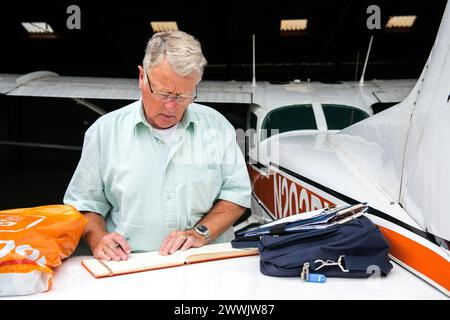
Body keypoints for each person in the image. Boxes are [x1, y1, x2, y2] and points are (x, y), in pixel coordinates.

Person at [64, 31, 251, 261]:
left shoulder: (217, 127)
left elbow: (237, 194)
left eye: (183, 96)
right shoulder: (104, 132)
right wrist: (98, 238)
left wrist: (200, 232)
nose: (171, 107)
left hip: (206, 264)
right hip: (131, 267)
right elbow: (84, 203)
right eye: (163, 94)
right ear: (142, 77)